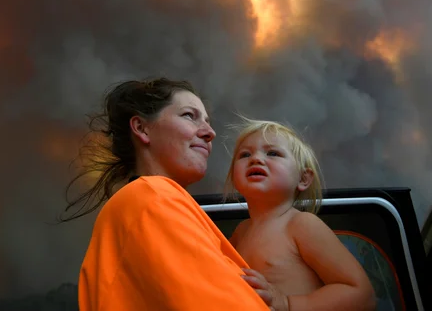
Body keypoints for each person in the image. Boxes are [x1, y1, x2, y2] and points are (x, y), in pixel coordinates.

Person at [61, 78, 270, 310]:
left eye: (208, 122)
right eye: (189, 116)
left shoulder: (147, 200)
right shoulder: (152, 196)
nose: (210, 133)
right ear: (142, 128)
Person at [225, 117, 376, 311]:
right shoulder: (240, 232)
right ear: (234, 176)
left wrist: (288, 303)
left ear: (303, 178)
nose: (256, 158)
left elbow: (361, 294)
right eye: (245, 154)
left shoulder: (302, 224)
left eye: (272, 153)